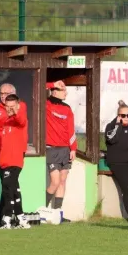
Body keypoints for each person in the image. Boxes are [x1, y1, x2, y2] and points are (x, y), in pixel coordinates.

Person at [0, 83, 28, 228]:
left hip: (16, 154)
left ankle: (7, 218)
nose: (3, 96)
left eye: (6, 93)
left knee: (9, 186)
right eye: (1, 93)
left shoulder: (21, 106)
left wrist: (12, 113)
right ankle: (18, 218)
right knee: (10, 187)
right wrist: (3, 119)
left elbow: (20, 121)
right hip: (3, 154)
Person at [45, 80, 76, 222]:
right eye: (63, 90)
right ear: (55, 91)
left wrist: (73, 148)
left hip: (65, 149)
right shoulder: (46, 104)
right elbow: (39, 86)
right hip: (51, 148)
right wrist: (53, 84)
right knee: (55, 181)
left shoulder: (67, 108)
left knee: (62, 181)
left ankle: (58, 215)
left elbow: (71, 130)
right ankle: (43, 211)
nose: (66, 92)